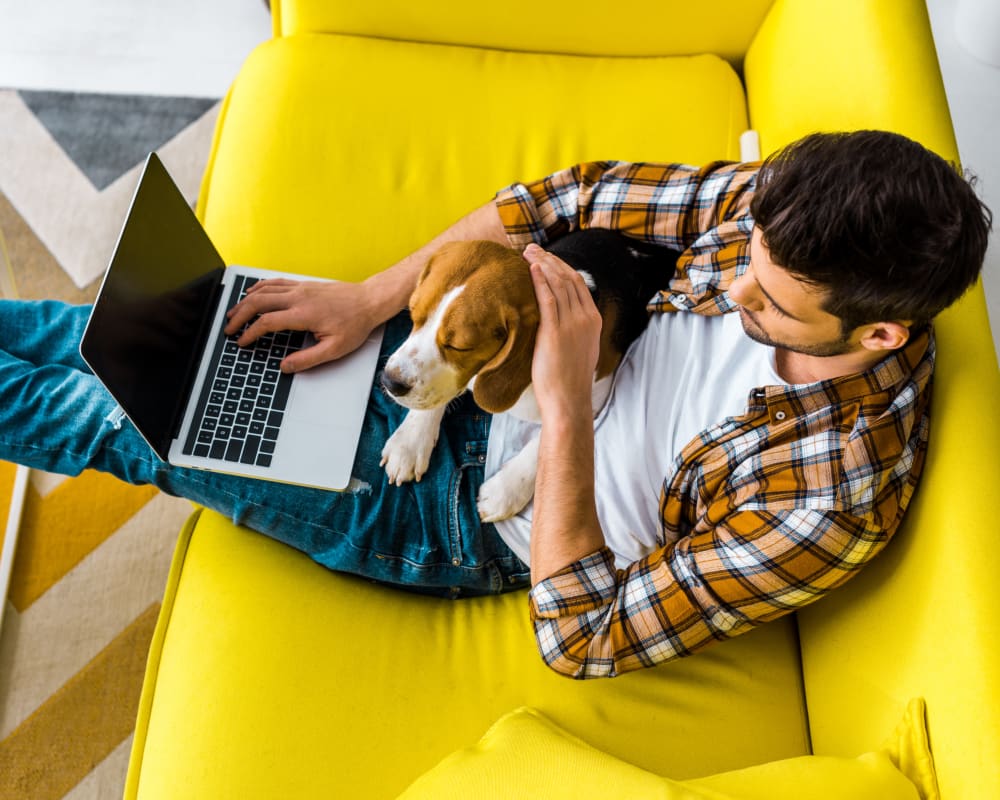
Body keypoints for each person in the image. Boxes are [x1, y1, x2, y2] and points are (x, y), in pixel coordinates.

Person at [0, 130, 990, 678]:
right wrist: (373, 301)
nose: (737, 290)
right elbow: (556, 196)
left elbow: (585, 635)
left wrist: (560, 411)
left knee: (119, 415)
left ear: (878, 338)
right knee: (123, 337)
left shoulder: (828, 495)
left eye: (769, 303)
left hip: (469, 516)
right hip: (464, 358)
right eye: (750, 265)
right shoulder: (778, 216)